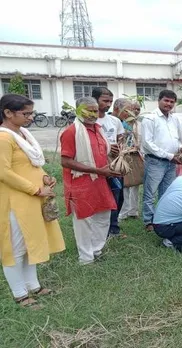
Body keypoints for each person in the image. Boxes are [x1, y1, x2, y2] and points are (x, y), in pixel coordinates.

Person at [0, 94, 65, 309]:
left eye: (31, 113)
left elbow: (31, 164)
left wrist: (45, 176)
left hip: (33, 198)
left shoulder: (24, 134)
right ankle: (20, 295)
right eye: (25, 113)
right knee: (16, 248)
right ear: (8, 113)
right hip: (16, 201)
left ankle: (33, 286)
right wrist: (35, 189)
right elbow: (4, 172)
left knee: (31, 243)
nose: (30, 117)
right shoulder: (4, 138)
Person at [60, 97, 121, 265]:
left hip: (100, 181)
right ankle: (86, 258)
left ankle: (96, 250)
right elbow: (65, 161)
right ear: (78, 111)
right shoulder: (71, 132)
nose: (94, 114)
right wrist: (97, 170)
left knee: (103, 215)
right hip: (81, 183)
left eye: (95, 111)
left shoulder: (99, 129)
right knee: (84, 221)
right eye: (90, 110)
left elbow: (102, 154)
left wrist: (112, 158)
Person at [141, 89, 182, 231]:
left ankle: (161, 218)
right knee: (150, 192)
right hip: (155, 161)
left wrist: (181, 149)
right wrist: (170, 156)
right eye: (166, 100)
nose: (169, 104)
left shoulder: (175, 119)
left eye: (172, 102)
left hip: (172, 162)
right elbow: (147, 143)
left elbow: (178, 139)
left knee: (166, 191)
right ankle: (149, 221)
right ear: (159, 100)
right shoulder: (150, 118)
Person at [93, 88, 125, 237]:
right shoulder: (88, 121)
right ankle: (100, 228)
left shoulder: (114, 120)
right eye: (105, 101)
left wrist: (119, 146)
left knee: (117, 195)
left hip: (115, 163)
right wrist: (106, 148)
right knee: (101, 196)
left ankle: (113, 227)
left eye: (110, 101)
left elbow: (120, 137)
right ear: (95, 100)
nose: (108, 104)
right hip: (96, 164)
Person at [114, 98, 141, 221]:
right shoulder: (121, 122)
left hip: (135, 156)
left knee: (135, 183)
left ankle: (133, 210)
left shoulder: (139, 123)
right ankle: (123, 212)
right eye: (132, 109)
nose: (134, 111)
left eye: (137, 109)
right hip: (122, 156)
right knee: (124, 185)